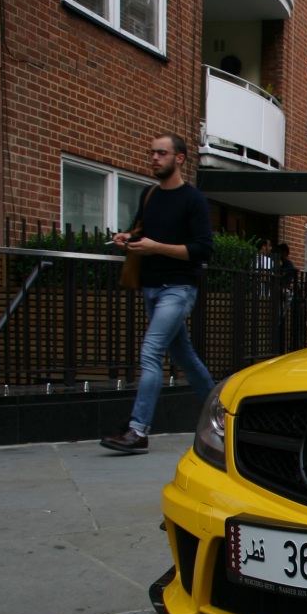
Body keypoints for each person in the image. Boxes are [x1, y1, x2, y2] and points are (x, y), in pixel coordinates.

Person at [100, 133, 216, 455]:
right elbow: (143, 232)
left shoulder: (193, 200)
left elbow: (203, 250)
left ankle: (138, 430)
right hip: (151, 288)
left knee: (151, 352)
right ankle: (224, 412)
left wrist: (156, 247)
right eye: (151, 153)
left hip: (177, 290)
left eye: (161, 153)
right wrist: (130, 237)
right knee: (184, 356)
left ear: (179, 158)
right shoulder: (149, 194)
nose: (154, 158)